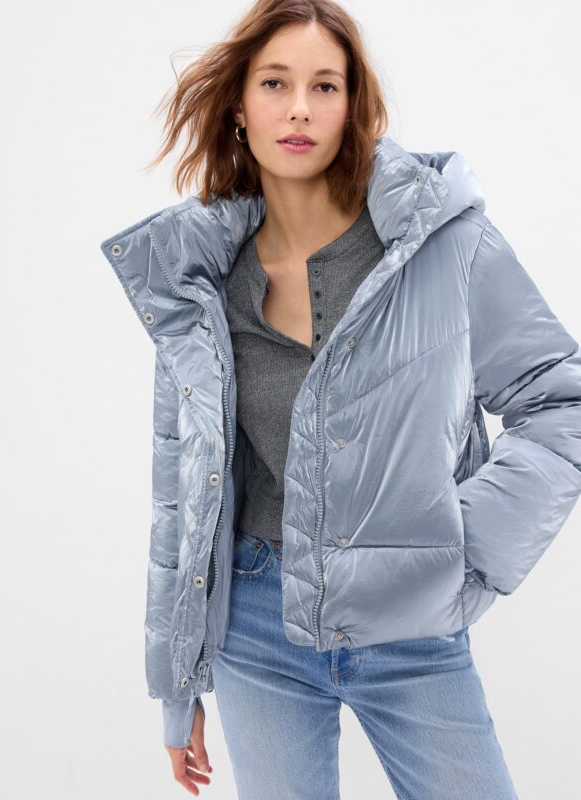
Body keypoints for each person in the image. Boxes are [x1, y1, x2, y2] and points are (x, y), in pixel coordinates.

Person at [99, 1, 581, 797]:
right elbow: (184, 490)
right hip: (256, 622)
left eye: (325, 86)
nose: (299, 108)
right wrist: (177, 685)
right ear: (239, 107)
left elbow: (561, 400)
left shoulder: (439, 244)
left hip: (413, 629)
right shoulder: (199, 284)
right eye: (275, 83)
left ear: (353, 106)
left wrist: (463, 548)